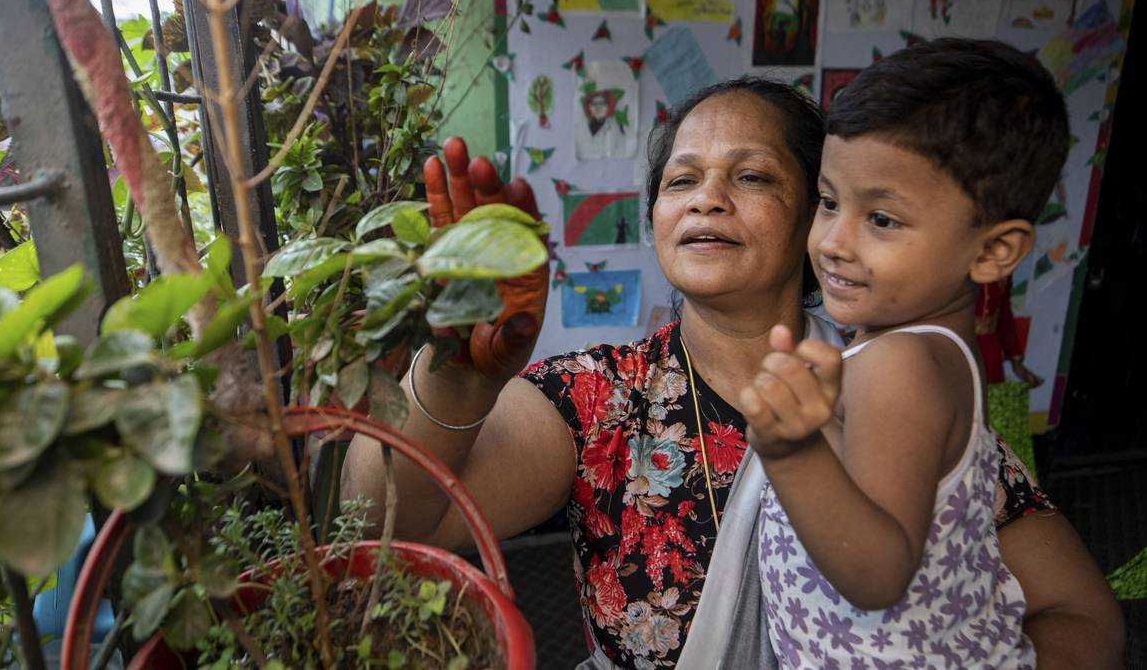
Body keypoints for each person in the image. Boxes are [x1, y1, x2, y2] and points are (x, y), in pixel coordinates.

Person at [343, 78, 1125, 668]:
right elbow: (381, 528)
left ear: (819, 212)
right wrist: (457, 374)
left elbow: (1079, 616)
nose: (706, 199)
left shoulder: (895, 386)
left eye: (750, 177)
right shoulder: (600, 398)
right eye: (680, 181)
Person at [739, 38, 1060, 668]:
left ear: (993, 252)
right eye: (829, 202)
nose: (832, 241)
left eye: (882, 219)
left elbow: (878, 573)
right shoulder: (931, 353)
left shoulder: (900, 365)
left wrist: (792, 449)